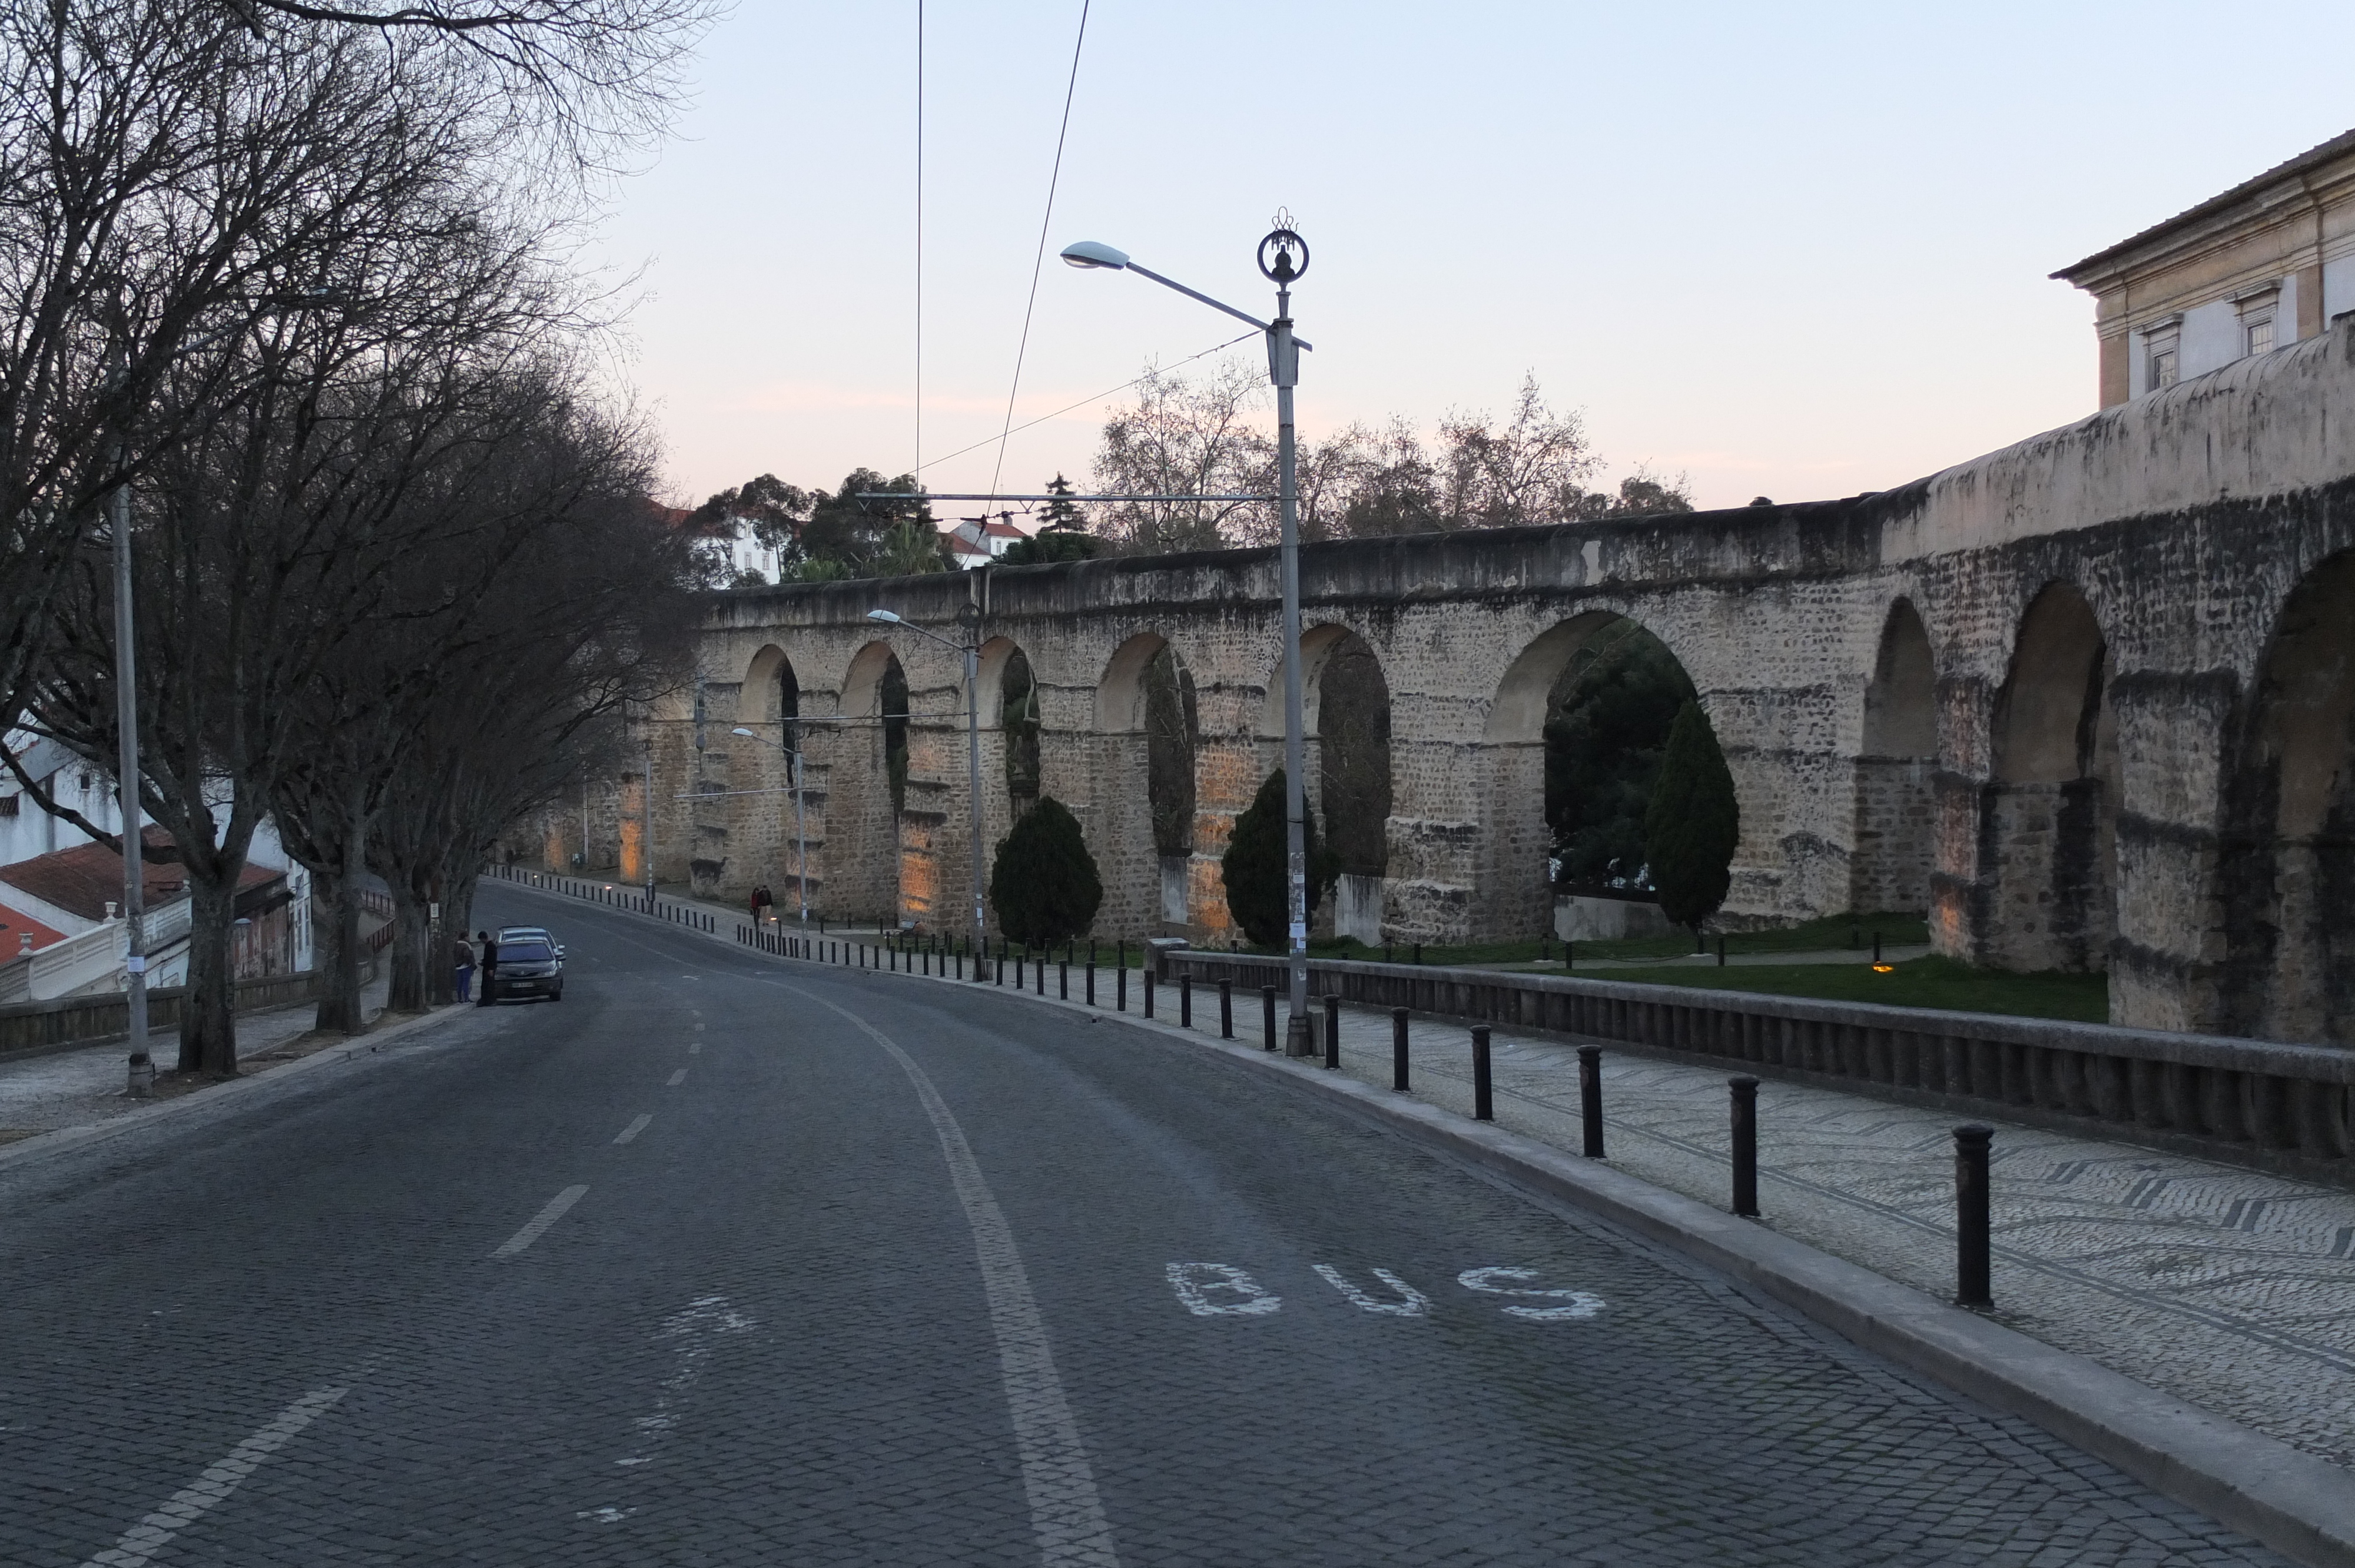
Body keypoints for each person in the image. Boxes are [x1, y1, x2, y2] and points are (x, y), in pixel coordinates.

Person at [452, 932, 476, 1004]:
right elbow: (467, 956)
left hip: (458, 967)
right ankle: (466, 998)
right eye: (468, 937)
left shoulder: (456, 945)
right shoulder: (466, 946)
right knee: (466, 983)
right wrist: (471, 964)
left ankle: (460, 999)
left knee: (460, 983)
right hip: (466, 966)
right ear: (465, 937)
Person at [476, 930, 499, 1006]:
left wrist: (491, 969)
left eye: (481, 939)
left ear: (484, 938)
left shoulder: (491, 946)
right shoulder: (489, 946)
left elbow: (492, 959)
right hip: (487, 968)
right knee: (486, 985)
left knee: (489, 986)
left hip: (489, 969)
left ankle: (490, 1000)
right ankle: (486, 1000)